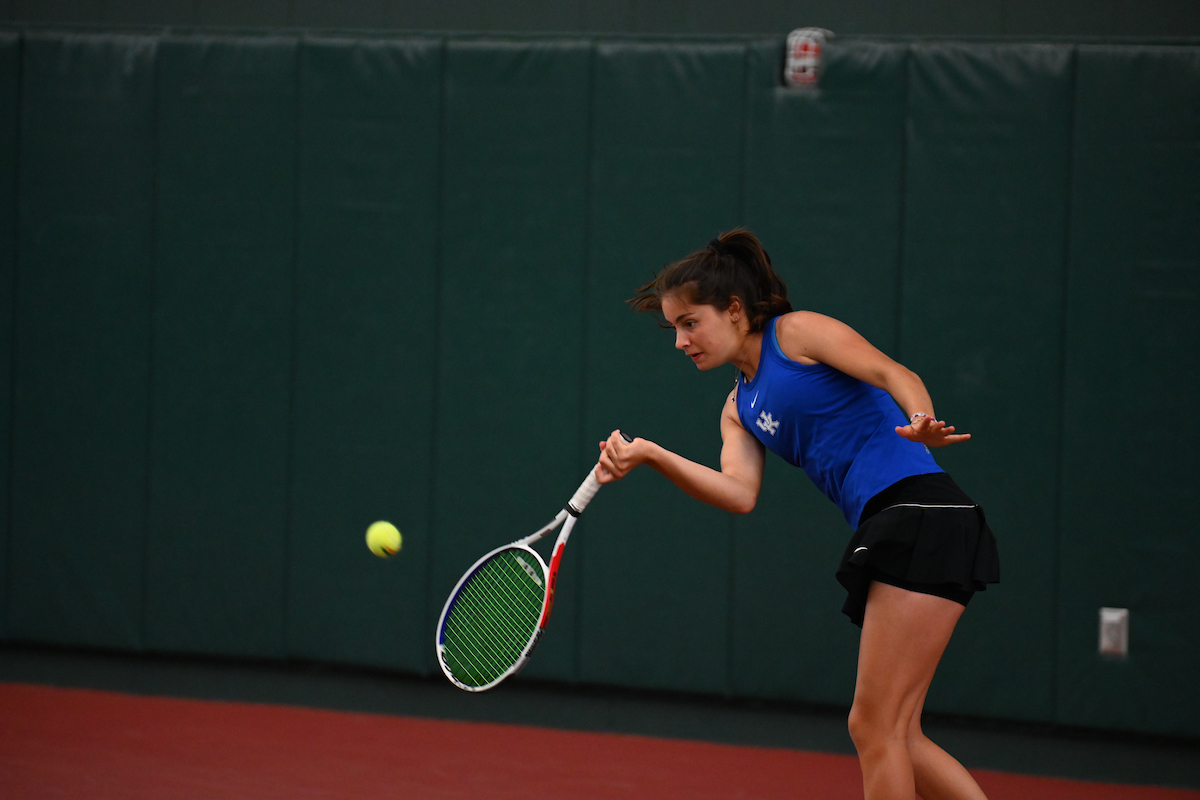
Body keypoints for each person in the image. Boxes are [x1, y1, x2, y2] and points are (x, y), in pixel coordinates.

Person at [595, 229, 1000, 800]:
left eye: (691, 323)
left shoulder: (797, 333)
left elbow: (892, 373)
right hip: (912, 520)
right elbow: (739, 493)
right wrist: (653, 455)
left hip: (917, 509)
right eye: (674, 329)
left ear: (734, 310)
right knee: (896, 733)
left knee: (872, 726)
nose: (681, 341)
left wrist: (921, 418)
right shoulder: (738, 408)